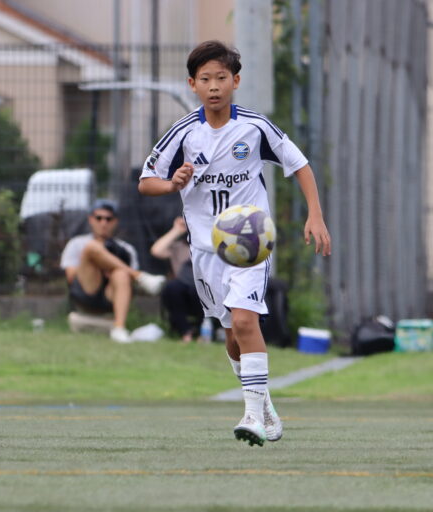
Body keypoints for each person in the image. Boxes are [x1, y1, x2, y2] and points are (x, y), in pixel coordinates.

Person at [138, 40, 331, 446]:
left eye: (221, 78)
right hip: (205, 251)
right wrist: (171, 184)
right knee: (230, 334)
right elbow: (146, 181)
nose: (214, 86)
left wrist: (315, 215)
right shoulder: (184, 132)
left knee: (245, 322)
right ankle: (263, 404)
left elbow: (299, 164)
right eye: (205, 79)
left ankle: (252, 416)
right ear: (192, 84)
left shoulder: (254, 127)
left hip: (250, 241)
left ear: (236, 81)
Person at [60, 198, 166, 343]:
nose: (103, 223)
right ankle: (141, 277)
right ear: (91, 219)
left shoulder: (126, 249)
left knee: (121, 274)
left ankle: (119, 328)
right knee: (91, 248)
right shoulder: (77, 243)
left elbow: (130, 286)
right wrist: (99, 263)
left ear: (115, 221)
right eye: (99, 218)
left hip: (110, 294)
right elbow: (71, 277)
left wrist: (113, 269)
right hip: (86, 289)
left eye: (108, 219)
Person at [150, 216, 203, 342]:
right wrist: (177, 230)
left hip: (204, 292)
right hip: (181, 292)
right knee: (173, 288)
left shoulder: (211, 247)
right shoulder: (179, 247)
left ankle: (204, 333)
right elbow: (156, 250)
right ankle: (185, 333)